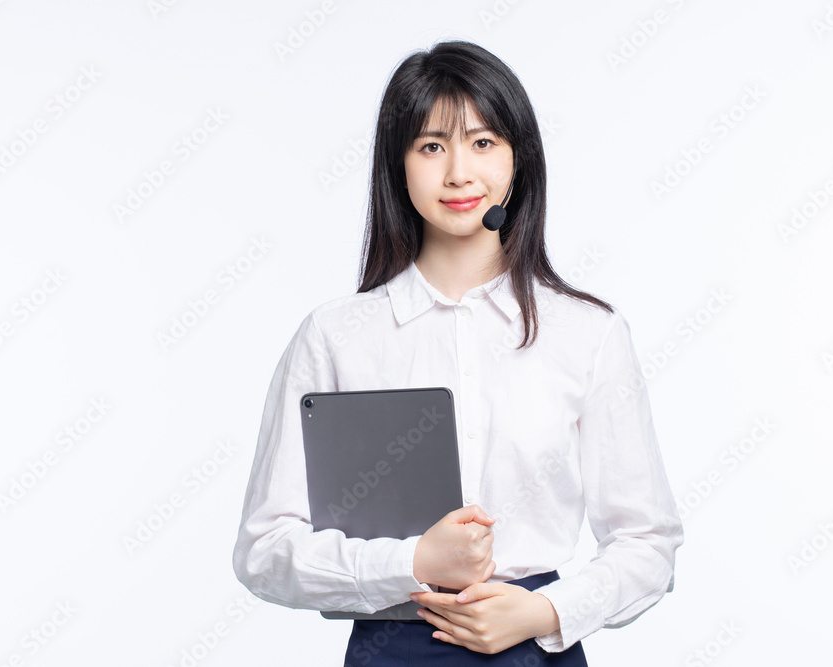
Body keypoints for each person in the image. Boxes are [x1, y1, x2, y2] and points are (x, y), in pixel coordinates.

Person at [232, 40, 684, 666]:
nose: (458, 174)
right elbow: (264, 550)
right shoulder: (336, 336)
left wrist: (546, 612)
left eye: (483, 142)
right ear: (399, 165)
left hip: (536, 647)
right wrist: (411, 561)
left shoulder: (587, 333)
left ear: (518, 160)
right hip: (394, 646)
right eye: (431, 146)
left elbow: (648, 541)